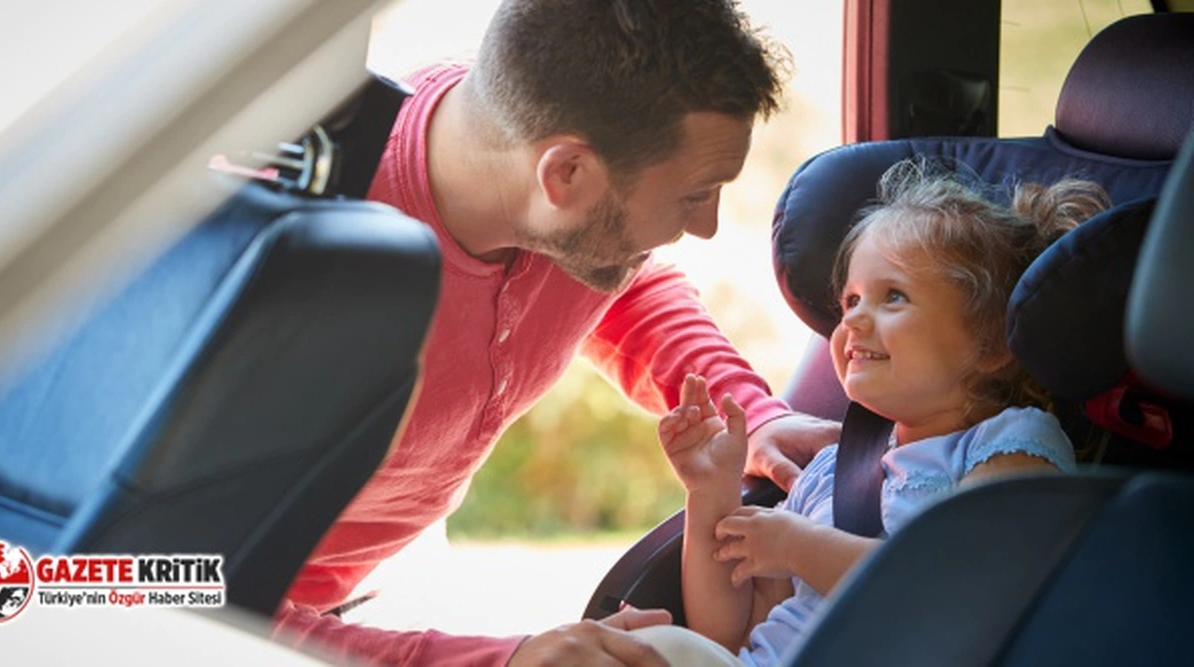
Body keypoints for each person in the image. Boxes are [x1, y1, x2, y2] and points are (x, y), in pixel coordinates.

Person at [272, 1, 841, 665]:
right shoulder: (282, 269)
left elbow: (627, 286)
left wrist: (746, 412)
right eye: (694, 194)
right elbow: (147, 581)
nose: (708, 225)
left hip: (378, 584)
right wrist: (504, 658)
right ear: (565, 173)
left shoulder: (553, 198)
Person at [651, 160, 1110, 664]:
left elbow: (963, 595)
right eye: (849, 300)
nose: (854, 319)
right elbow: (726, 633)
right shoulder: (827, 472)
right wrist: (711, 495)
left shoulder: (1010, 444)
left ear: (994, 342)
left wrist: (801, 547)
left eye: (893, 296)